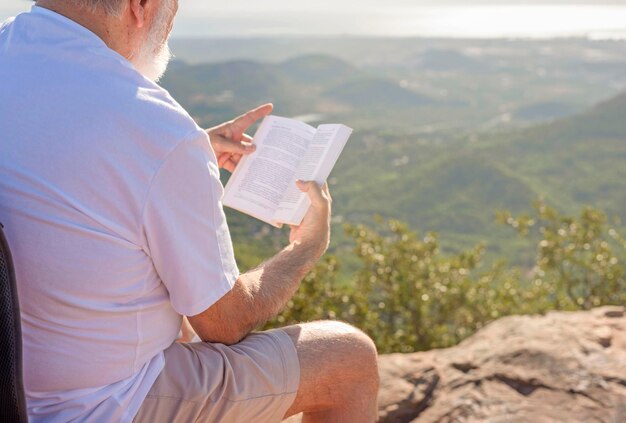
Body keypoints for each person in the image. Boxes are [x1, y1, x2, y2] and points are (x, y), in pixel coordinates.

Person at [0, 0, 379, 422]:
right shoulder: (154, 127)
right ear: (140, 7)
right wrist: (306, 247)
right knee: (348, 358)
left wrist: (185, 153)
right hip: (93, 407)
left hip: (12, 382)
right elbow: (225, 322)